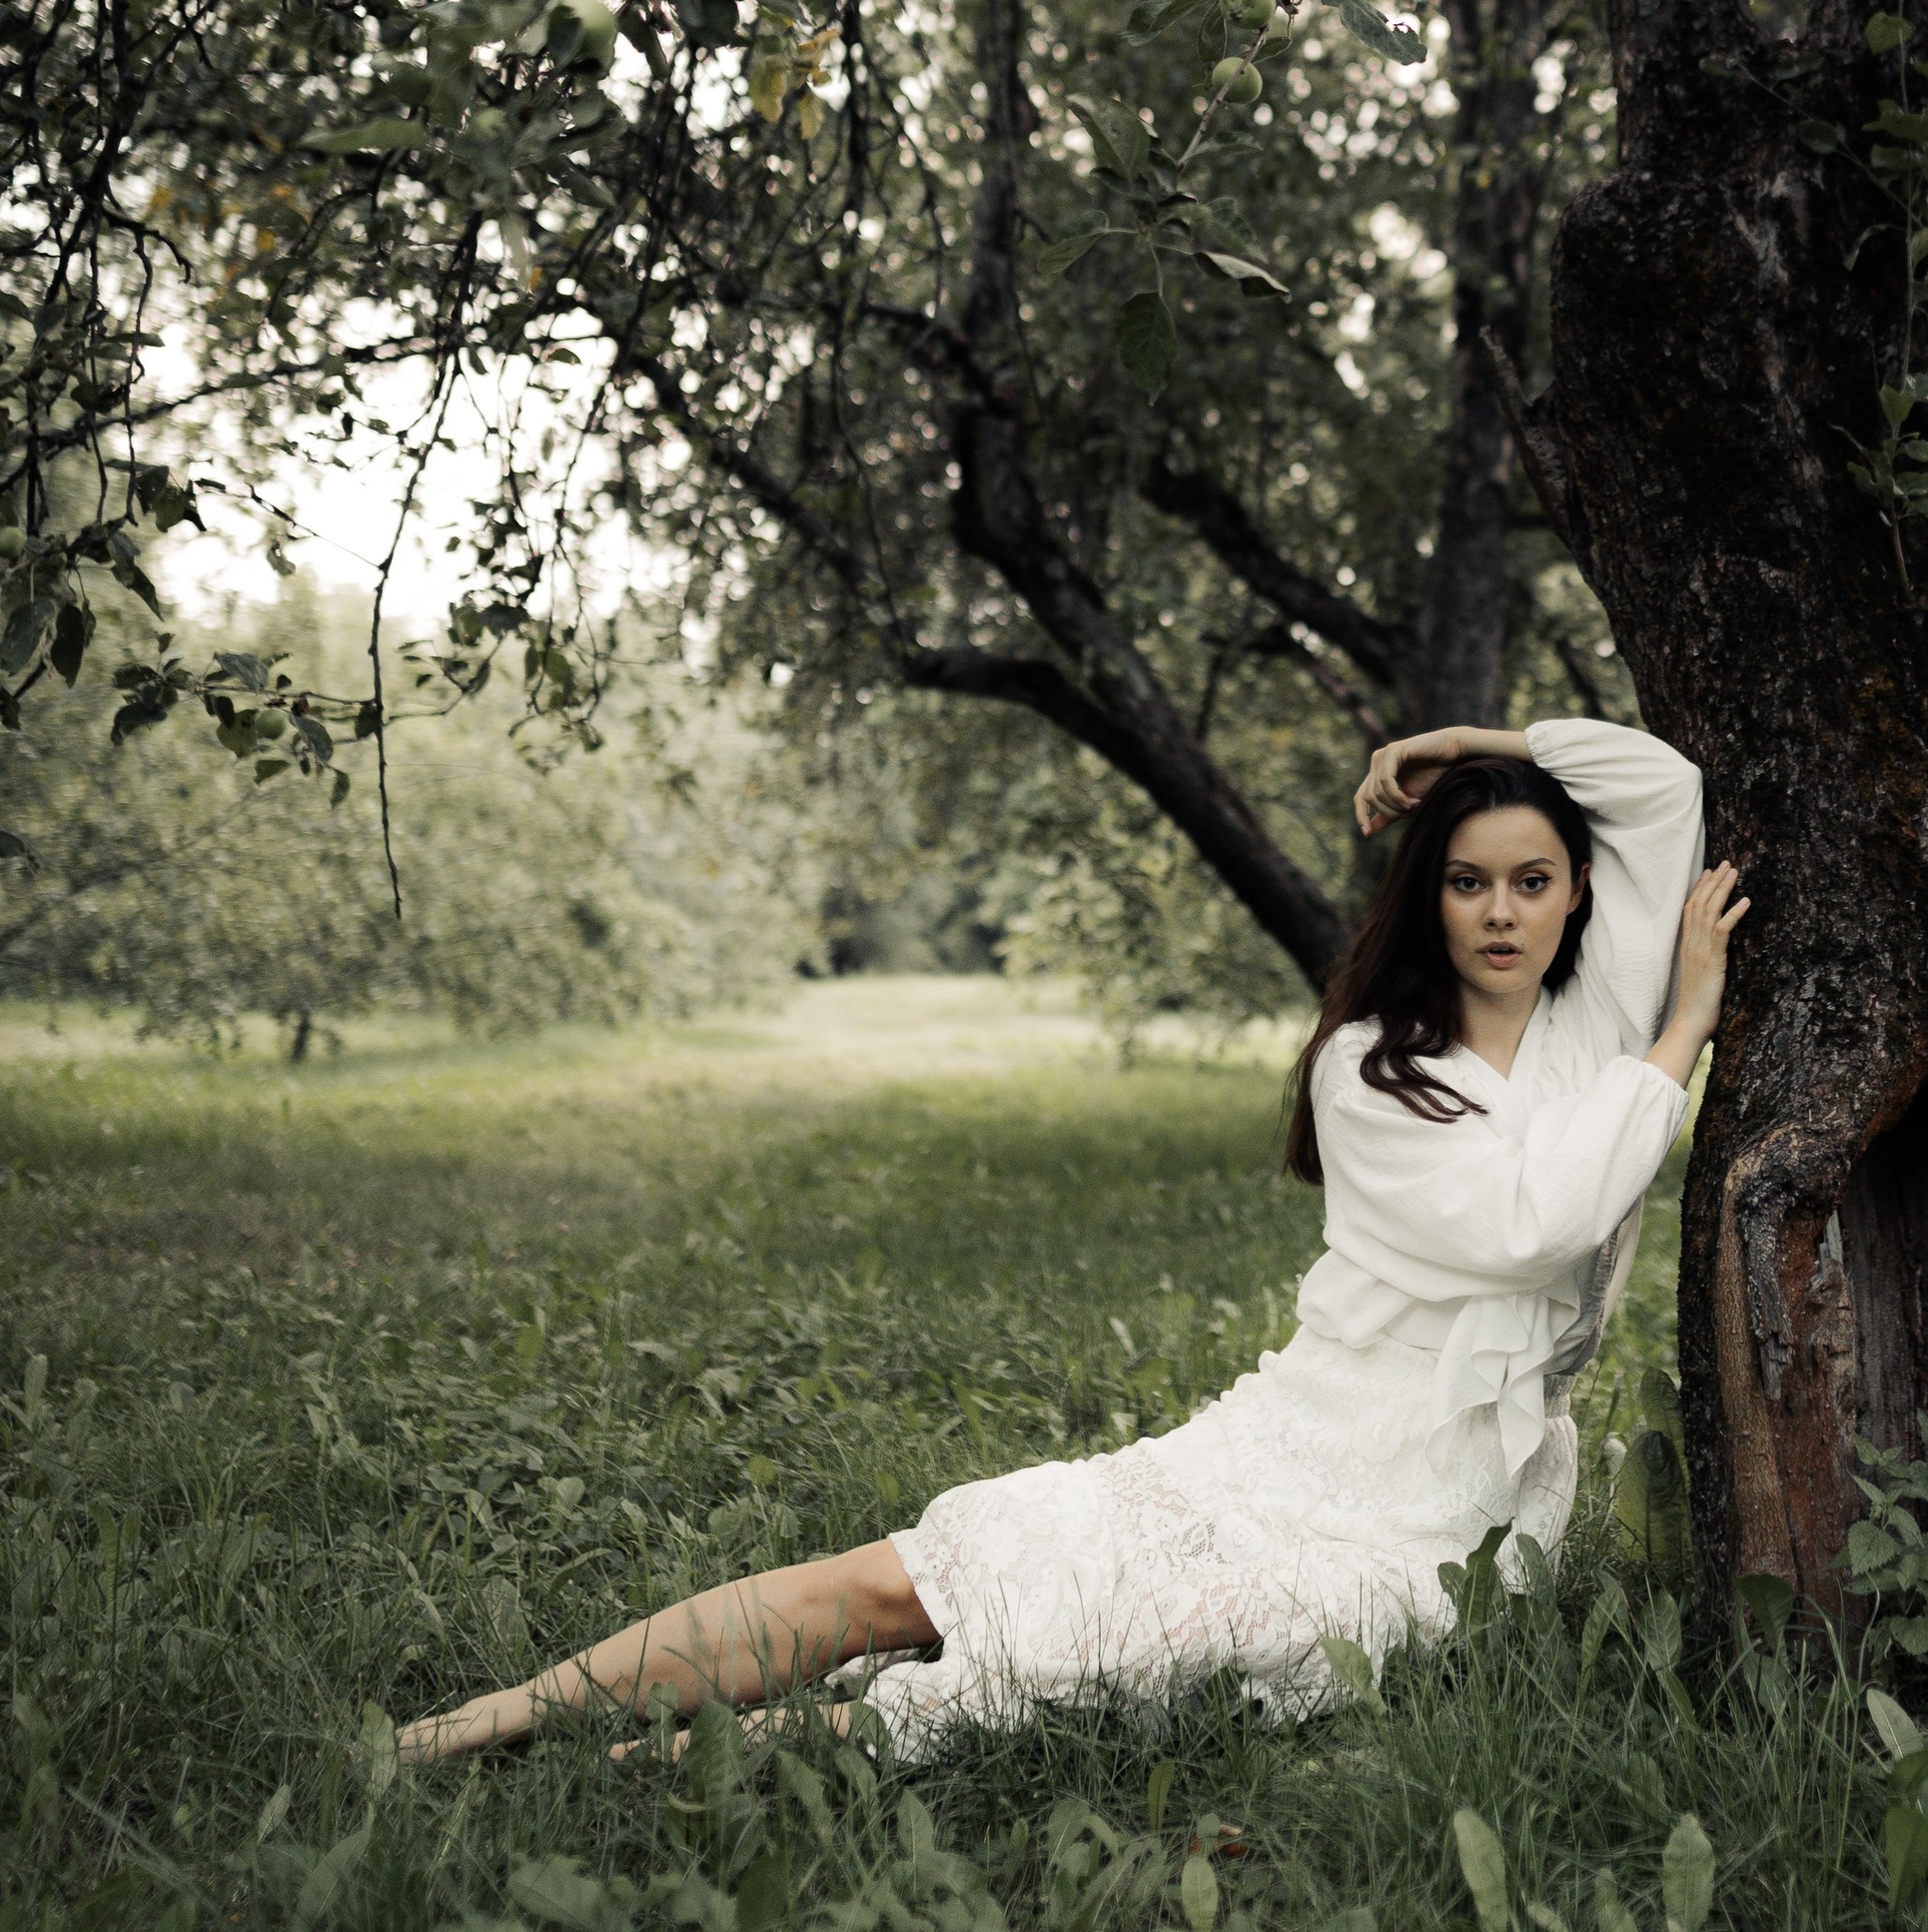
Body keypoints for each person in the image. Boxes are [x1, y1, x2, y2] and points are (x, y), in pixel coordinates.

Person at [395, 718, 1747, 1767]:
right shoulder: (1368, 1072)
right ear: (1428, 896)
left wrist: (1464, 747)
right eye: (1466, 879)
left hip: (1453, 1515)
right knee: (929, 1572)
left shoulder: (1583, 1039)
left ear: (1580, 895)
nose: (1501, 910)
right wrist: (1684, 1024)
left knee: (1113, 1653)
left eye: (1531, 879)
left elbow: (1655, 783)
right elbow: (1533, 1227)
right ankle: (498, 1715)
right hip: (1306, 1441)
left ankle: (694, 1760)